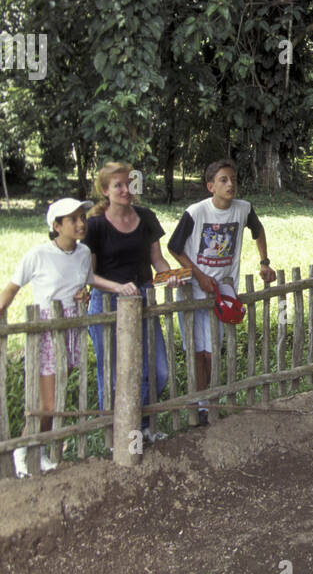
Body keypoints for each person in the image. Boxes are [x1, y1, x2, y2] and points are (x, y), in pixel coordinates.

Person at [0, 198, 116, 476]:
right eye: (72, 219)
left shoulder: (84, 252)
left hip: (72, 330)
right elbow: (12, 288)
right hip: (47, 332)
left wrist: (82, 295)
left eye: (82, 217)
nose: (80, 224)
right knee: (48, 403)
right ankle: (23, 451)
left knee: (58, 396)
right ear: (56, 225)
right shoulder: (38, 255)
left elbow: (83, 283)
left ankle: (39, 453)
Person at [167, 160, 276, 424]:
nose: (230, 184)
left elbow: (258, 230)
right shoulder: (195, 212)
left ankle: (211, 401)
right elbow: (174, 247)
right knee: (197, 350)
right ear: (210, 186)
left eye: (233, 179)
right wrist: (199, 275)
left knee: (213, 348)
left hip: (224, 291)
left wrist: (264, 262)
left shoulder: (243, 209)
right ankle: (201, 404)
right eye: (224, 180)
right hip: (194, 291)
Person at [84, 162, 178, 444]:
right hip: (107, 303)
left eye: (128, 184)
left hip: (143, 299)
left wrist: (170, 276)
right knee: (112, 373)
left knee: (157, 370)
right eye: (118, 185)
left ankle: (145, 427)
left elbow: (158, 261)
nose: (126, 190)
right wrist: (117, 287)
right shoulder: (95, 226)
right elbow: (89, 275)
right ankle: (116, 436)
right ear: (105, 191)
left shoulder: (147, 217)